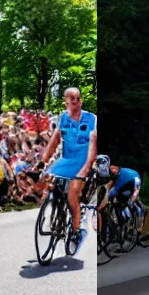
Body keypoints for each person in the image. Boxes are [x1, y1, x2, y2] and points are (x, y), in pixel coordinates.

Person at [38, 87, 95, 251]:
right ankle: (56, 209)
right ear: (66, 102)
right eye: (72, 99)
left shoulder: (91, 119)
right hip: (67, 161)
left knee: (72, 194)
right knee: (46, 179)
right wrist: (43, 163)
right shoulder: (62, 119)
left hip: (84, 164)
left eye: (78, 98)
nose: (75, 102)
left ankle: (77, 231)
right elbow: (53, 144)